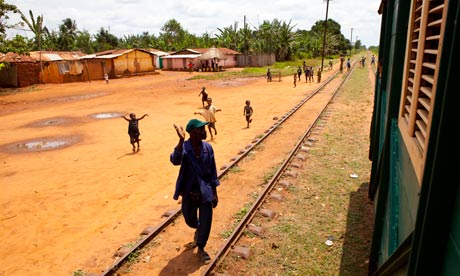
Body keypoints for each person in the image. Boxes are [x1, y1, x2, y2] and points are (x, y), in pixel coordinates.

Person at [170, 119, 220, 265]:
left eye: (204, 128)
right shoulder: (185, 148)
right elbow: (175, 160)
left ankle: (201, 247)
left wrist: (215, 193)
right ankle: (198, 228)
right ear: (192, 133)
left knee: (206, 221)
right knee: (189, 218)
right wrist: (180, 140)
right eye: (200, 129)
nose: (204, 131)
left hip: (205, 192)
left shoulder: (208, 148)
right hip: (189, 192)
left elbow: (213, 171)